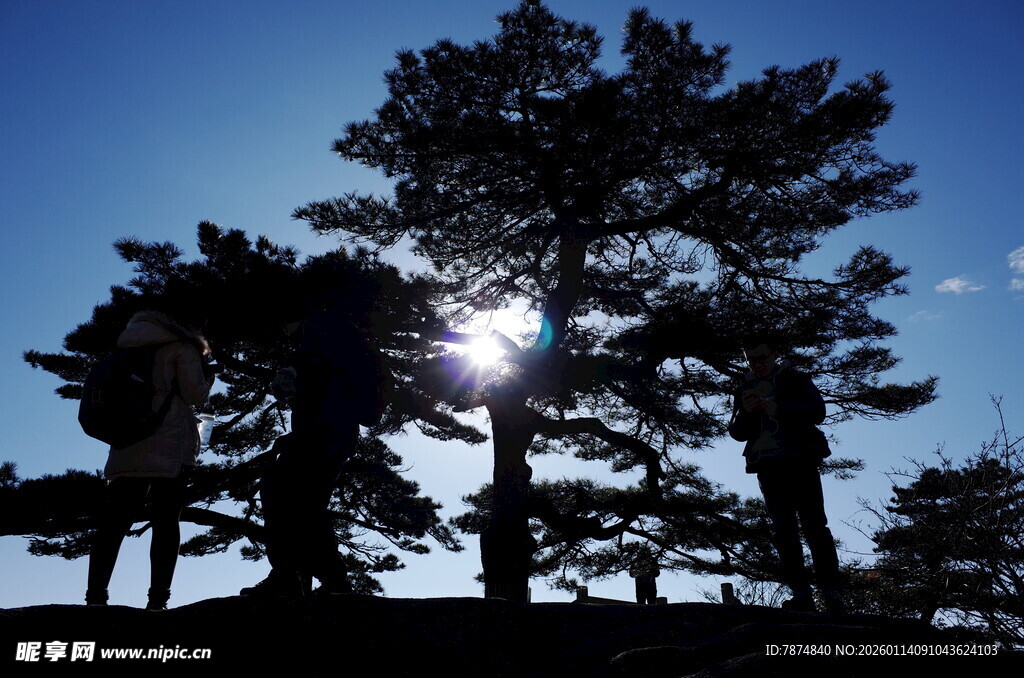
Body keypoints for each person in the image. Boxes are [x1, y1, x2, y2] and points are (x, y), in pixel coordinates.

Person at [242, 297, 387, 597]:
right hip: (339, 430)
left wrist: (290, 372)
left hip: (323, 428)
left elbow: (310, 361)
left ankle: (289, 576)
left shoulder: (317, 327)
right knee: (308, 503)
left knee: (279, 490)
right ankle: (330, 580)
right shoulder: (336, 329)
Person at [86, 311, 215, 610]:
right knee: (166, 522)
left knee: (113, 523)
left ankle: (95, 597)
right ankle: (157, 602)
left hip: (128, 443)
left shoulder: (126, 349)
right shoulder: (181, 348)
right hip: (169, 447)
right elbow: (195, 394)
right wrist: (208, 376)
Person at [727, 337, 845, 614]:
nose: (757, 364)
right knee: (784, 531)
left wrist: (776, 409)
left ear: (774, 354)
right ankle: (801, 595)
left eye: (761, 357)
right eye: (750, 359)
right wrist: (745, 410)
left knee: (815, 527)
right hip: (767, 464)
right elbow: (736, 431)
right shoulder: (744, 386)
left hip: (800, 458)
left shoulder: (795, 379)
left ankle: (832, 594)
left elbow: (818, 412)